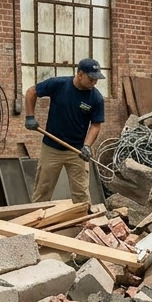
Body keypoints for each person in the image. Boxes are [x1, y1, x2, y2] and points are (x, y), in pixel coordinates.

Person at [24, 58, 105, 203]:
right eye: (91, 78)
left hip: (77, 151)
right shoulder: (58, 84)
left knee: (81, 194)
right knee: (43, 190)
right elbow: (31, 92)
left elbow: (95, 125)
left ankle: (85, 223)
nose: (94, 82)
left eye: (96, 79)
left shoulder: (96, 98)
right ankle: (37, 222)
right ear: (80, 74)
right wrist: (30, 116)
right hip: (51, 148)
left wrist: (87, 145)